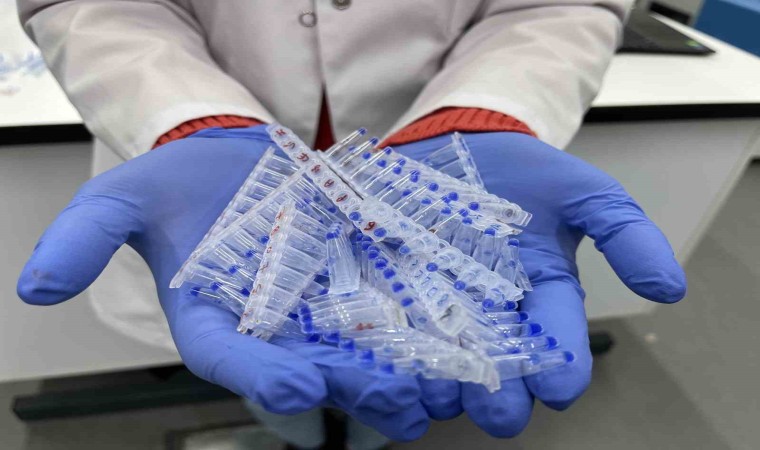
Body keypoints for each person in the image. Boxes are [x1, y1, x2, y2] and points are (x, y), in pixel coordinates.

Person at [16, 1, 687, 449]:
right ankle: (295, 434)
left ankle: (365, 434)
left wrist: (478, 117)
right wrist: (197, 122)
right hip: (208, 159)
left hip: (425, 121)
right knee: (270, 362)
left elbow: (553, 6)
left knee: (390, 389)